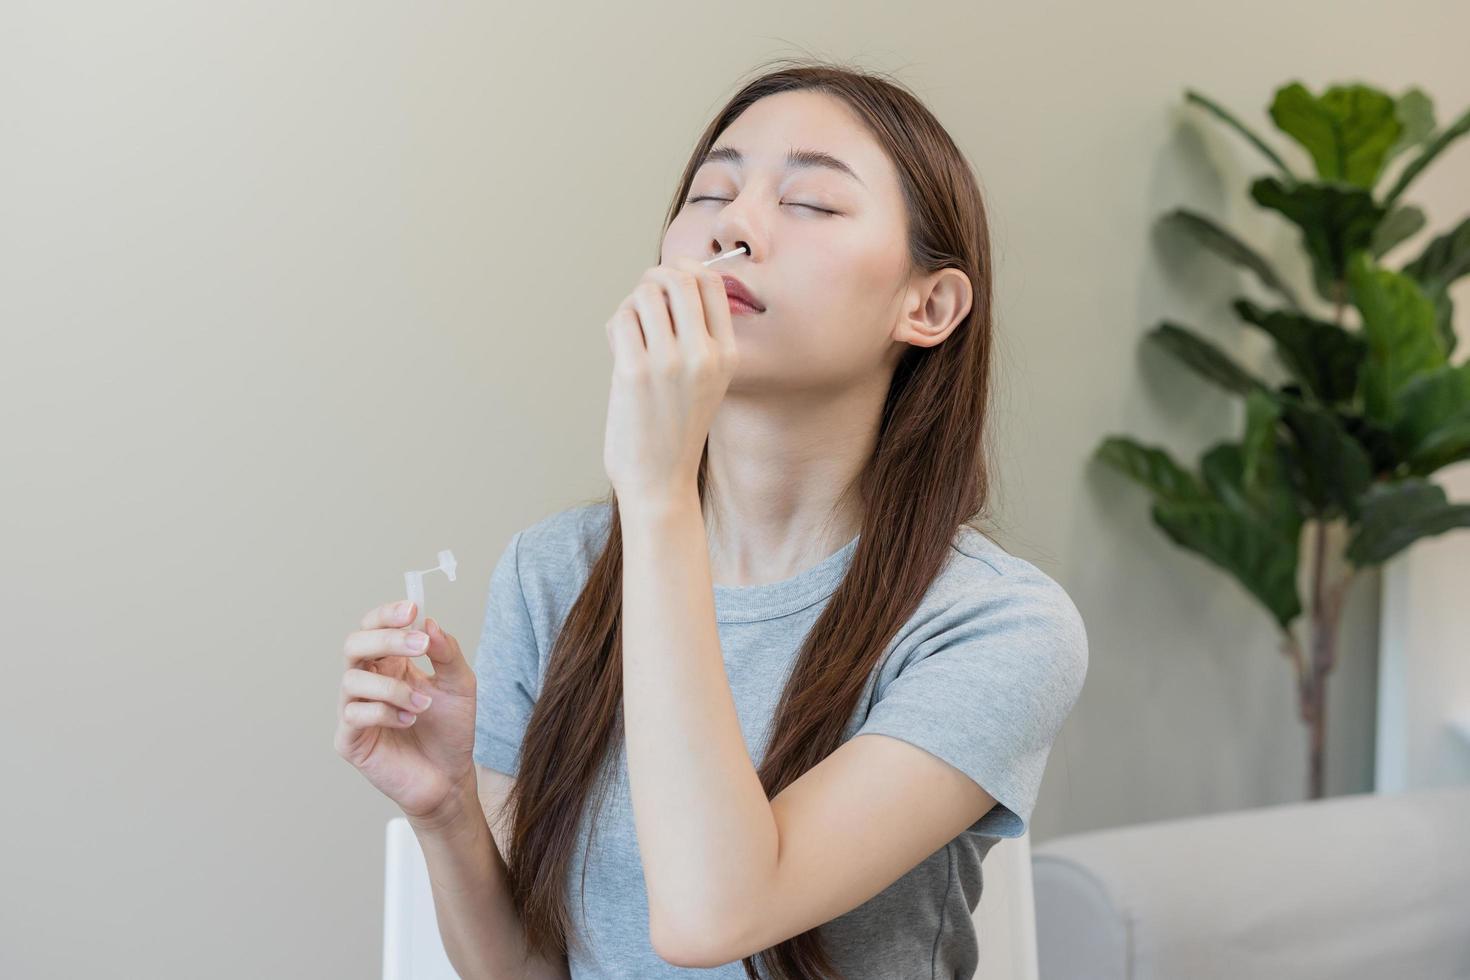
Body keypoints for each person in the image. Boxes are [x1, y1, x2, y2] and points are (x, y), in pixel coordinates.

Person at [335, 58, 1088, 980]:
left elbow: (710, 920)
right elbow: (529, 971)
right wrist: (445, 805)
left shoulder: (997, 626)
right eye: (710, 193)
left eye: (810, 203)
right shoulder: (555, 575)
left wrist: (654, 494)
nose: (733, 227)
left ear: (926, 306)